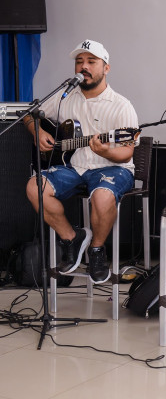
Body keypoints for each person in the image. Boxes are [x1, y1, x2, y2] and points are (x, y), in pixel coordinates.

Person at [24, 39, 139, 284]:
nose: (84, 66)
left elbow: (126, 153)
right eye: (79, 61)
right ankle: (72, 238)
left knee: (102, 196)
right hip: (74, 167)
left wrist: (106, 152)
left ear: (106, 68)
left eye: (91, 61)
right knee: (35, 188)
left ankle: (96, 250)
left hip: (113, 168)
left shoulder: (121, 106)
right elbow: (29, 115)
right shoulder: (65, 96)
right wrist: (38, 132)